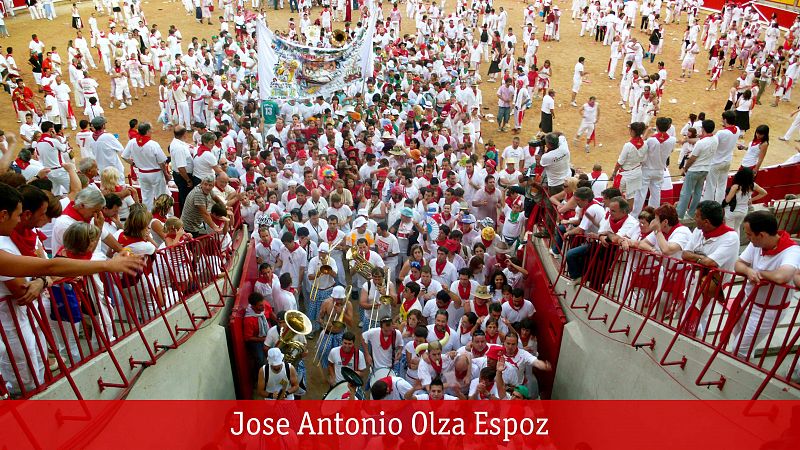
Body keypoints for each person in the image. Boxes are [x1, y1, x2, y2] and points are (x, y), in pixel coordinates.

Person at [0, 182, 143, 278]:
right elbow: (52, 267)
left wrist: (120, 251)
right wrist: (108, 265)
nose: (19, 220)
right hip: (76, 276)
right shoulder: (65, 224)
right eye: (18, 215)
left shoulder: (90, 217)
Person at [732, 211, 799, 358]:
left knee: (739, 349)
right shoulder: (755, 244)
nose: (748, 238)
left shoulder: (792, 251)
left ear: (761, 235)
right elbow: (738, 264)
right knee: (740, 340)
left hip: (768, 311)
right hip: (748, 301)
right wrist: (749, 271)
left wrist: (758, 273)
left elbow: (783, 276)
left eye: (749, 235)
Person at [676, 120, 717, 220]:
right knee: (698, 192)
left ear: (703, 129)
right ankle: (692, 213)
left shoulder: (701, 143)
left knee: (686, 192)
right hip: (705, 169)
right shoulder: (715, 139)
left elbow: (692, 158)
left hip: (694, 169)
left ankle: (680, 215)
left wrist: (685, 168)